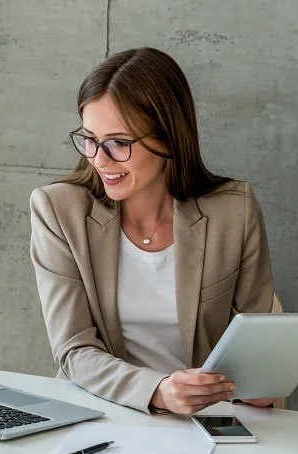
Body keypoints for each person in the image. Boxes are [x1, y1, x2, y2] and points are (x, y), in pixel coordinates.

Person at [29, 47, 280, 415]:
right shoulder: (58, 211)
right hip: (102, 410)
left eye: (119, 143)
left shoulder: (233, 210)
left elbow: (254, 343)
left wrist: (261, 382)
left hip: (206, 419)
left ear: (169, 138)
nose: (100, 159)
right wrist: (157, 391)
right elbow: (74, 349)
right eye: (89, 139)